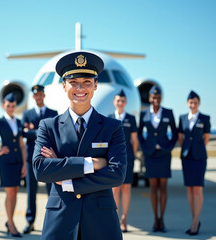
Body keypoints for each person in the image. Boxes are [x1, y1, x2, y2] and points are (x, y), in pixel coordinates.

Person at [32, 51, 127, 240]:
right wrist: (92, 163)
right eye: (74, 82)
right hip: (60, 221)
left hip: (101, 222)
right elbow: (40, 170)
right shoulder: (48, 126)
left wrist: (66, 181)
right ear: (64, 85)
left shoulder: (113, 127)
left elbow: (117, 174)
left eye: (87, 82)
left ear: (95, 85)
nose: (80, 88)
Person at [0, 92, 27, 238]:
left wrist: (25, 163)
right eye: (8, 105)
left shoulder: (18, 122)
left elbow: (21, 144)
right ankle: (11, 223)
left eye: (13, 106)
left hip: (18, 162)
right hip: (6, 162)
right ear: (3, 106)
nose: (11, 108)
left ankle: (10, 222)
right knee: (10, 193)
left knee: (15, 192)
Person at [138, 86, 177, 232]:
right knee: (153, 188)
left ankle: (163, 219)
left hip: (164, 154)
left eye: (158, 98)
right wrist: (145, 148)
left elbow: (174, 132)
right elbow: (140, 133)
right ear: (149, 98)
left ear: (161, 99)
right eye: (153, 98)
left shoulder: (168, 113)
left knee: (164, 188)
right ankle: (155, 220)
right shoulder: (144, 114)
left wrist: (169, 147)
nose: (156, 100)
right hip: (151, 155)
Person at [21, 84, 58, 234]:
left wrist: (32, 130)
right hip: (31, 159)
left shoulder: (52, 113)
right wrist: (42, 131)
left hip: (48, 158)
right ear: (33, 97)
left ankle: (54, 222)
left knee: (52, 192)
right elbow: (23, 134)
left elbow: (54, 133)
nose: (38, 97)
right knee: (31, 192)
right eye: (36, 95)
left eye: (41, 94)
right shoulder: (27, 114)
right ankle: (30, 222)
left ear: (44, 95)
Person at [178, 90, 210, 236]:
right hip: (186, 158)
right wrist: (187, 150)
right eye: (191, 102)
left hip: (199, 158)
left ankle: (195, 222)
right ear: (187, 103)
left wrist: (197, 149)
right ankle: (194, 219)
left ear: (199, 103)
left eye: (195, 102)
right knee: (189, 189)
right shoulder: (183, 118)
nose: (193, 105)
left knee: (197, 189)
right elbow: (180, 138)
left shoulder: (205, 118)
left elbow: (206, 139)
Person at [108, 89, 138, 233]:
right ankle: (115, 219)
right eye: (118, 100)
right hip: (113, 159)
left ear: (125, 103)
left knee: (126, 188)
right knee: (115, 189)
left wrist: (131, 155)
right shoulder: (109, 118)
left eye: (122, 101)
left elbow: (134, 140)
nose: (120, 103)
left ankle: (124, 219)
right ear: (114, 102)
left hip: (128, 158)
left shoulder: (131, 119)